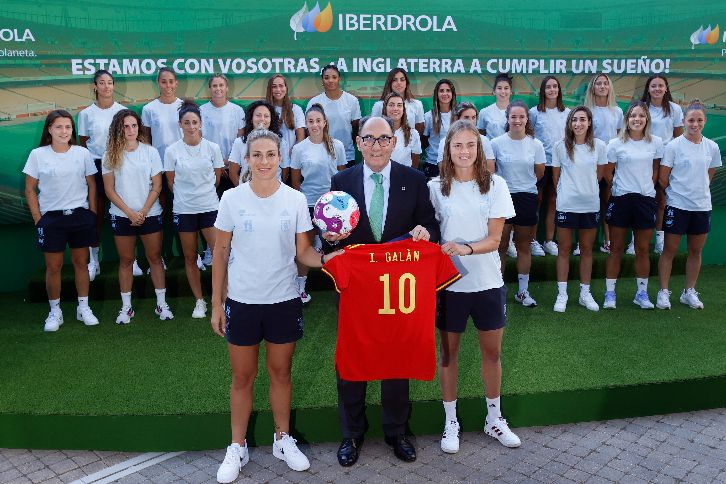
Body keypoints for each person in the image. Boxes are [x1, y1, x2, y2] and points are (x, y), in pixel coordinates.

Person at [211, 129, 343, 482]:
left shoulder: (296, 200)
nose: (264, 161)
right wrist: (216, 303)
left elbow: (303, 252)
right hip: (242, 302)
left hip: (284, 300)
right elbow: (220, 251)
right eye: (257, 155)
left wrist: (333, 257)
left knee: (281, 373)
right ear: (248, 159)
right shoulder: (231, 199)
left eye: (271, 154)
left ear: (280, 158)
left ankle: (282, 439)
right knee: (242, 377)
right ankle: (236, 445)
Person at [322, 116, 440, 467]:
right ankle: (351, 434)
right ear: (358, 142)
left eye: (384, 139)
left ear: (394, 142)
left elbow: (430, 224)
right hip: (357, 290)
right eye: (369, 139)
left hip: (396, 294)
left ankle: (396, 431)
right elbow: (331, 227)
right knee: (352, 360)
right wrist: (329, 238)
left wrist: (424, 230)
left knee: (395, 359)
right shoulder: (340, 181)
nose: (376, 145)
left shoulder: (414, 180)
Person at [429, 119, 521, 454]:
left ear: (478, 149)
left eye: (471, 145)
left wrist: (464, 248)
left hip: (487, 283)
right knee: (449, 354)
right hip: (450, 286)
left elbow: (495, 239)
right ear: (448, 150)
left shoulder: (495, 185)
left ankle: (494, 418)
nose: (464, 151)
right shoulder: (434, 187)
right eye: (458, 145)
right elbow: (426, 232)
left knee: (492, 353)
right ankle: (450, 421)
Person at [23, 110, 100, 331]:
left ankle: (83, 307)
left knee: (81, 264)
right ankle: (55, 311)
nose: (63, 131)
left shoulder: (81, 153)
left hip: (79, 216)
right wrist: (39, 219)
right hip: (51, 220)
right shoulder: (38, 154)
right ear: (49, 129)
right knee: (53, 267)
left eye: (67, 127)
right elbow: (29, 189)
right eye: (58, 127)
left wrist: (91, 213)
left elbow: (92, 184)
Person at [102, 109, 173, 323]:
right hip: (122, 216)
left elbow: (157, 185)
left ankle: (161, 305)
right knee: (126, 260)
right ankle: (126, 308)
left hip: (150, 214)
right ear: (118, 129)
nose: (130, 130)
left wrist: (142, 212)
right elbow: (109, 190)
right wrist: (130, 212)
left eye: (134, 126)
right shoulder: (109, 155)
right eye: (125, 126)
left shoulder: (150, 152)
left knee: (155, 259)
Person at [656, 101, 721, 310]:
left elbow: (709, 174)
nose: (695, 124)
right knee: (669, 250)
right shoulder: (673, 146)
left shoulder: (712, 146)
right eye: (691, 120)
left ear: (705, 121)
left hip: (702, 207)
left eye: (699, 120)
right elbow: (664, 179)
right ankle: (663, 292)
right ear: (684, 121)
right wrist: (679, 194)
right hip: (677, 206)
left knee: (696, 251)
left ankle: (689, 291)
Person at [164, 99, 224, 319]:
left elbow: (217, 178)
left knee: (219, 255)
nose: (191, 126)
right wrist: (187, 198)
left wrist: (202, 195)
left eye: (194, 122)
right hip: (184, 210)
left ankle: (221, 299)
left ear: (200, 124)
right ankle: (200, 302)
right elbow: (171, 182)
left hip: (209, 207)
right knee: (190, 257)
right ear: (180, 124)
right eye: (186, 122)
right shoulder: (171, 151)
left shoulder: (213, 148)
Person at [603, 102, 663, 310]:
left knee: (643, 249)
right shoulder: (614, 144)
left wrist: (645, 187)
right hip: (621, 200)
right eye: (633, 116)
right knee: (616, 249)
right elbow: (608, 173)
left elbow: (655, 170)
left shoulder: (655, 142)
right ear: (627, 119)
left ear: (647, 119)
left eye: (641, 116)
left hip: (645, 201)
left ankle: (642, 293)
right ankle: (610, 293)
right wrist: (621, 188)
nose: (637, 119)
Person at [551, 106, 608, 312]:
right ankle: (562, 294)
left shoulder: (600, 146)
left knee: (586, 250)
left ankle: (585, 293)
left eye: (582, 119)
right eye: (574, 120)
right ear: (569, 123)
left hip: (590, 205)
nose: (578, 123)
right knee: (564, 249)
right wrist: (568, 193)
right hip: (566, 204)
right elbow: (556, 177)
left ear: (589, 122)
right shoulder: (560, 146)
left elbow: (599, 175)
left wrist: (586, 191)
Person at [290, 103, 347, 303]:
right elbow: (295, 180)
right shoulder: (299, 149)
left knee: (334, 247)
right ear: (306, 124)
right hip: (307, 204)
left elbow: (341, 175)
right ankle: (300, 288)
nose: (314, 125)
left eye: (318, 121)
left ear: (325, 123)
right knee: (305, 248)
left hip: (331, 206)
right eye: (310, 121)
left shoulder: (337, 146)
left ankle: (342, 287)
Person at [492, 100, 546, 307]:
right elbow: (492, 171)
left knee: (523, 246)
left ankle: (523, 292)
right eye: (513, 117)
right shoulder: (496, 143)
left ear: (527, 119)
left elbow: (539, 172)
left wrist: (525, 184)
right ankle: (497, 292)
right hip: (503, 198)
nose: (517, 120)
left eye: (521, 117)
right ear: (507, 119)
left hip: (526, 198)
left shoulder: (536, 144)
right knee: (501, 246)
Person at [77, 69, 125, 281]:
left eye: (110, 82)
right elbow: (83, 142)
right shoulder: (86, 114)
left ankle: (129, 261)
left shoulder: (123, 111)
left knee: (124, 210)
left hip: (119, 165)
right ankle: (93, 260)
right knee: (94, 215)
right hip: (96, 165)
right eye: (102, 83)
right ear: (95, 87)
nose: (106, 86)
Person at [142, 67, 183, 267]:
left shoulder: (184, 106)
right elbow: (147, 140)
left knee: (184, 212)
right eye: (164, 81)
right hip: (159, 168)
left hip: (182, 168)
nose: (168, 85)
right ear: (158, 83)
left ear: (176, 84)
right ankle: (160, 257)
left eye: (171, 81)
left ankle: (192, 256)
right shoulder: (149, 109)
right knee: (162, 213)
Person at [640, 75, 684, 255]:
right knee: (642, 199)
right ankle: (637, 240)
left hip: (666, 160)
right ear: (648, 89)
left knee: (661, 201)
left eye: (660, 86)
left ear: (666, 88)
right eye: (653, 86)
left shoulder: (675, 109)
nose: (657, 89)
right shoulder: (641, 108)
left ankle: (659, 239)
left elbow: (678, 137)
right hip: (644, 158)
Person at [529, 75, 571, 258]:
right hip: (540, 163)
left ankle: (549, 240)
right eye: (548, 87)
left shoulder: (567, 112)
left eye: (555, 86)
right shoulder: (534, 112)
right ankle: (532, 240)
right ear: (543, 91)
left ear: (559, 90)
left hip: (559, 164)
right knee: (536, 201)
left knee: (554, 201)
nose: (552, 90)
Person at [584, 73, 625, 254]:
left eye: (605, 84)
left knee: (608, 202)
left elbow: (620, 137)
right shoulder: (586, 111)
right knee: (587, 200)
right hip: (590, 162)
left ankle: (608, 241)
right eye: (598, 83)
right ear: (593, 88)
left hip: (611, 163)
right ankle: (583, 243)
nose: (602, 86)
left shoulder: (617, 111)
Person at [200, 73, 245, 196]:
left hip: (233, 167)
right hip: (209, 167)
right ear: (210, 88)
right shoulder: (201, 111)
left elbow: (240, 140)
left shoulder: (238, 111)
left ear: (227, 87)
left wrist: (229, 163)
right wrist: (217, 163)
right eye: (214, 85)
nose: (218, 88)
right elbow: (200, 140)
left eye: (221, 85)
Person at [307, 65, 361, 165]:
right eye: (326, 78)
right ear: (322, 80)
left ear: (339, 79)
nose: (330, 80)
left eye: (334, 77)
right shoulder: (314, 102)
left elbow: (356, 128)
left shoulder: (352, 101)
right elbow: (309, 130)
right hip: (320, 155)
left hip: (346, 155)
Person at [229, 101, 290, 186]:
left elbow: (285, 171)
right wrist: (242, 190)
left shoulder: (281, 143)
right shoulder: (239, 142)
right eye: (258, 115)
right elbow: (232, 173)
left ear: (271, 119)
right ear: (251, 119)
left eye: (266, 116)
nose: (262, 119)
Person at [436, 102, 495, 173]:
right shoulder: (444, 141)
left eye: (473, 117)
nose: (471, 121)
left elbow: (490, 170)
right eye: (466, 117)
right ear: (456, 119)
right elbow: (444, 170)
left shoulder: (484, 140)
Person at [370, 67, 425, 135]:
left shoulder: (417, 104)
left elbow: (419, 130)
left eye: (402, 80)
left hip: (409, 144)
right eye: (394, 80)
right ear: (390, 83)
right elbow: (373, 129)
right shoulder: (379, 105)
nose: (399, 83)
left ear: (406, 83)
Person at [422, 79, 457, 178]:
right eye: (441, 91)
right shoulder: (429, 116)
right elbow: (424, 140)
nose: (445, 93)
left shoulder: (458, 115)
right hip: (433, 163)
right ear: (436, 94)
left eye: (448, 90)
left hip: (454, 163)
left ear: (452, 94)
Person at [267, 74, 305, 157]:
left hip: (291, 158)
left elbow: (301, 138)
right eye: (274, 86)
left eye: (281, 86)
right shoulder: (265, 109)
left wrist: (290, 155)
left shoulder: (296, 109)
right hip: (269, 159)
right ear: (270, 89)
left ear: (286, 88)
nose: (278, 89)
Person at [382, 92, 422, 168]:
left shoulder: (413, 134)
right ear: (385, 108)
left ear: (403, 109)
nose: (395, 108)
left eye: (399, 105)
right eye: (391, 105)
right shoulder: (376, 132)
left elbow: (415, 161)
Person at [477, 73, 512, 140]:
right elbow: (481, 136)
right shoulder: (485, 112)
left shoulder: (517, 111)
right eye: (499, 88)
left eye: (506, 88)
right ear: (494, 91)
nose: (503, 91)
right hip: (491, 150)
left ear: (511, 91)